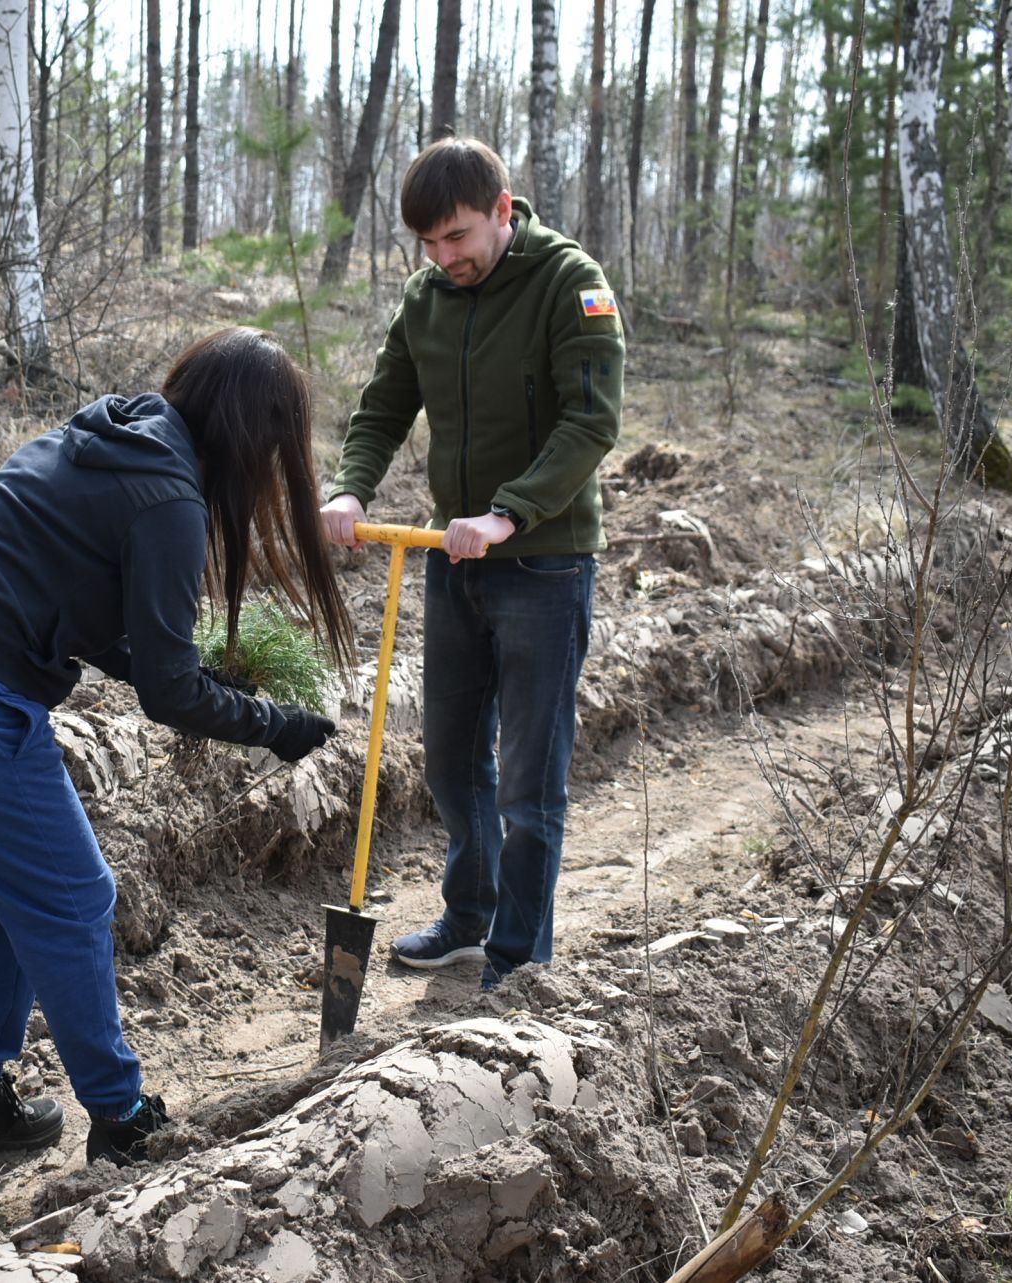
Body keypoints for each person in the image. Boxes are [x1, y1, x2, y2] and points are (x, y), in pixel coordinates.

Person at [0, 327, 351, 1166]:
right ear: (255, 438)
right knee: (77, 893)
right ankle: (123, 1120)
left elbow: (96, 619)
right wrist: (276, 725)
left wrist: (198, 669)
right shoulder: (170, 498)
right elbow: (169, 695)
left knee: (0, 891)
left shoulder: (121, 436)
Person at [320, 137, 623, 990]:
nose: (445, 259)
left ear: (502, 208)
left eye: (457, 237)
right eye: (428, 245)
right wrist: (350, 490)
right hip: (452, 562)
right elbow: (383, 406)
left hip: (544, 563)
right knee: (452, 758)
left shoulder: (570, 284)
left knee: (529, 780)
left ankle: (521, 955)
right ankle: (470, 917)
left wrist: (507, 512)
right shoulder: (427, 299)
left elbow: (591, 425)